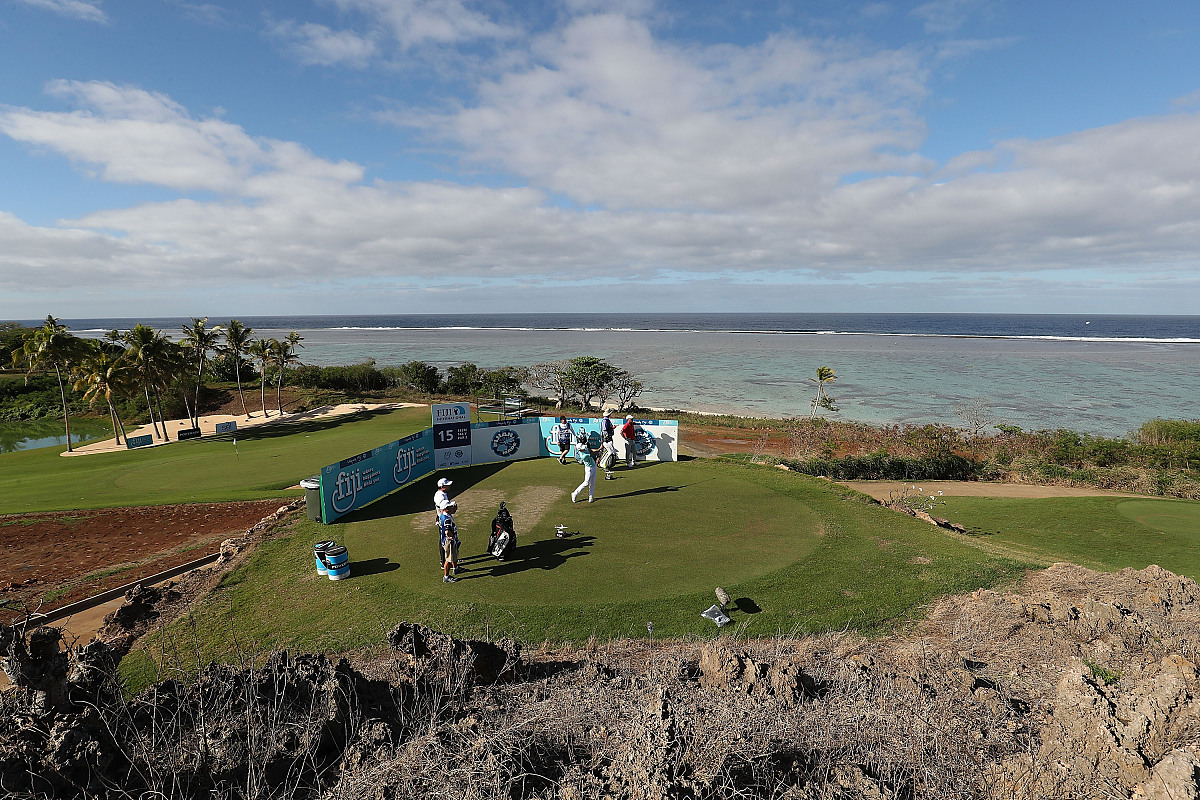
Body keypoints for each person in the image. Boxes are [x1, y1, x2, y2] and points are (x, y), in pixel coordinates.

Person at [433, 478, 459, 573]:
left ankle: (451, 559)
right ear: (443, 487)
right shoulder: (440, 497)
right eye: (447, 485)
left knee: (445, 541)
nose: (449, 486)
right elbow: (442, 509)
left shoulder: (442, 494)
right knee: (445, 541)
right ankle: (445, 561)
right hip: (443, 521)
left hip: (443, 519)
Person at [570, 426, 601, 504]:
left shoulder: (584, 448)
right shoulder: (584, 455)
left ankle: (591, 497)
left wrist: (598, 449)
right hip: (588, 468)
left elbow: (591, 450)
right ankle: (575, 493)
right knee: (586, 482)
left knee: (592, 482)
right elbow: (593, 453)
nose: (585, 448)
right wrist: (600, 448)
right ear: (580, 450)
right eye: (583, 448)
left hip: (593, 466)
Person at [600, 409, 618, 479]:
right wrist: (611, 428)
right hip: (607, 439)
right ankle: (604, 465)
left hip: (607, 439)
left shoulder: (606, 420)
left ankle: (606, 465)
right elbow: (604, 430)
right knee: (610, 452)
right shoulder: (605, 421)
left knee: (611, 452)